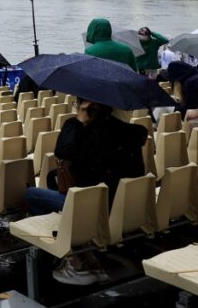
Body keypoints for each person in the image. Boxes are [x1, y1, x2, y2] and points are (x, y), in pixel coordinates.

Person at [23, 99, 146, 285]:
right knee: (52, 180)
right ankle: (87, 253)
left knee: (31, 194)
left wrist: (77, 120)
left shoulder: (86, 134)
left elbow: (62, 152)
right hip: (122, 208)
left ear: (86, 108)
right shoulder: (130, 134)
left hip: (94, 210)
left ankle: (70, 254)